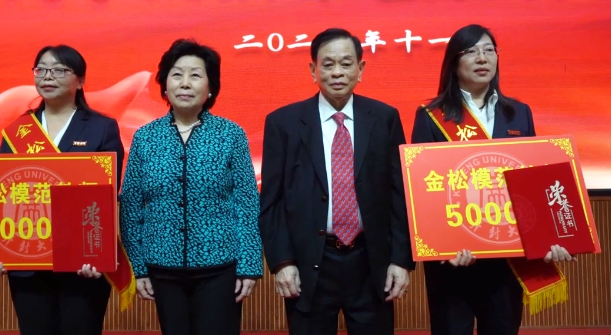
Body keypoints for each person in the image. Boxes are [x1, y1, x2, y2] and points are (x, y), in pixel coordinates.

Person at [411, 24, 575, 335]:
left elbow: (532, 181)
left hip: (507, 260)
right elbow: (423, 189)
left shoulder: (518, 113)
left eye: (489, 50)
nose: (482, 58)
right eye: (471, 51)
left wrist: (549, 238)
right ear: (453, 63)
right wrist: (443, 243)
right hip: (455, 259)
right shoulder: (432, 115)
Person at [259, 28, 414, 335]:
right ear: (313, 70)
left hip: (370, 262)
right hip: (308, 263)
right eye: (328, 64)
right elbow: (272, 201)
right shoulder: (283, 123)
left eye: (346, 63)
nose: (337, 72)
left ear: (361, 68)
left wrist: (401, 259)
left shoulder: (385, 118)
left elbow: (400, 195)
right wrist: (282, 262)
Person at [0, 45, 124, 335]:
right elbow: (2, 193)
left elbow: (105, 194)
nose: (47, 76)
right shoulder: (17, 130)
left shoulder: (102, 127)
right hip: (28, 262)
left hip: (81, 263)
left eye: (59, 70)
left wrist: (95, 253)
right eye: (41, 69)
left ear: (80, 80)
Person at [120, 38, 262, 335]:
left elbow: (247, 203)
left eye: (195, 75)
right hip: (161, 267)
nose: (185, 83)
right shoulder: (145, 137)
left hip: (220, 266)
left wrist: (249, 265)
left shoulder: (230, 134)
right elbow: (131, 206)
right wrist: (138, 266)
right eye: (176, 74)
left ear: (210, 88)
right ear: (165, 85)